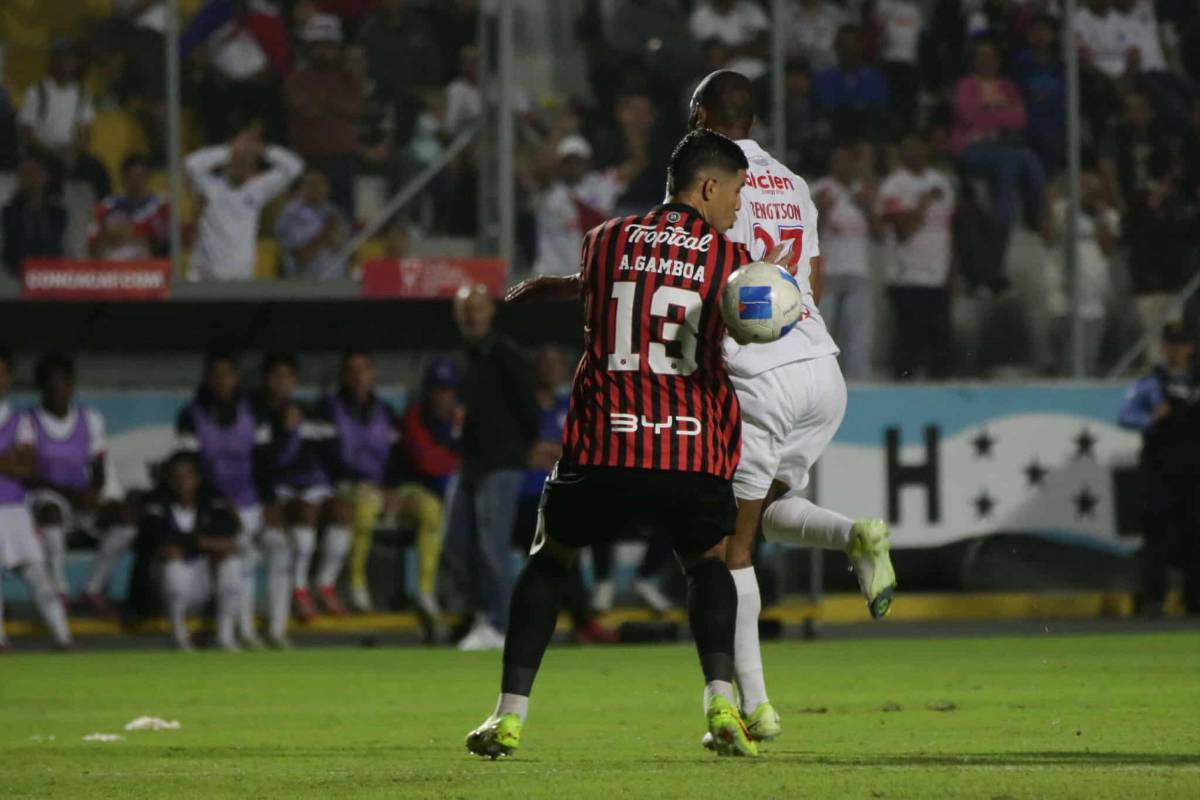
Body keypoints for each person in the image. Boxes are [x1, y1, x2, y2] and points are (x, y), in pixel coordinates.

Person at [464, 128, 758, 759]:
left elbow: (629, 281)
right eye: (735, 191)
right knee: (708, 563)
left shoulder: (604, 239)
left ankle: (508, 717)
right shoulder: (732, 261)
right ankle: (721, 703)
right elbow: (751, 311)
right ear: (708, 187)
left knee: (549, 561)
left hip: (604, 441)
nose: (738, 205)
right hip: (690, 444)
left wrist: (560, 284)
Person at [686, 71, 897, 751]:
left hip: (760, 375)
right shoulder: (795, 185)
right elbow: (814, 278)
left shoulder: (708, 182)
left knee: (729, 545)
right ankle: (855, 537)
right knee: (759, 515)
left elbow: (690, 270)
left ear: (701, 115)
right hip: (820, 367)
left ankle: (757, 706)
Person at [441, 285, 540, 651]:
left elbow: (528, 408)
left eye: (477, 310)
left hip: (500, 463)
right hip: (470, 463)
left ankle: (499, 625)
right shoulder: (463, 357)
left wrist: (516, 448)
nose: (471, 317)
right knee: (457, 544)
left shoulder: (504, 355)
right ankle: (482, 614)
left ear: (490, 313)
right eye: (465, 310)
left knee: (492, 547)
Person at [176, 349, 293, 648]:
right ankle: (242, 632)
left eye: (228, 375)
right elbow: (190, 467)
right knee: (241, 556)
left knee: (279, 547)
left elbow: (264, 461)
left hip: (252, 502)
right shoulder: (192, 414)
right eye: (215, 375)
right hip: (214, 509)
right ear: (207, 379)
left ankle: (277, 630)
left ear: (237, 378)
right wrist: (219, 506)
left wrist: (270, 503)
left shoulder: (254, 412)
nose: (221, 381)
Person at [513, 345, 616, 644]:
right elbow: (524, 453)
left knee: (606, 508)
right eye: (544, 362)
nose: (549, 368)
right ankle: (581, 621)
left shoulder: (571, 405)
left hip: (563, 492)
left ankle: (599, 594)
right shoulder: (525, 409)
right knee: (557, 550)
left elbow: (582, 452)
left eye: (556, 362)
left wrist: (552, 452)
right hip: (528, 498)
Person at [26, 353, 138, 620]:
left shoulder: (90, 419)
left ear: (71, 385)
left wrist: (94, 493)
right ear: (41, 387)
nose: (57, 391)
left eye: (63, 384)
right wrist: (72, 495)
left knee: (125, 519)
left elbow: (98, 465)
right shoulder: (28, 422)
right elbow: (29, 475)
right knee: (50, 511)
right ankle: (59, 591)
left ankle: (93, 588)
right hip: (46, 499)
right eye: (51, 385)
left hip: (82, 499)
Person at [252, 353, 352, 622]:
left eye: (288, 376)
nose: (282, 382)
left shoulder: (310, 411)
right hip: (282, 490)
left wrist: (342, 483)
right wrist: (286, 431)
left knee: (343, 510)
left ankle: (325, 583)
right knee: (306, 512)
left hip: (315, 488)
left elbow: (333, 456)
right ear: (266, 380)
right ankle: (299, 588)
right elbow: (264, 464)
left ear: (296, 381)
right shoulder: (259, 415)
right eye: (276, 376)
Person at [1117, 323, 1200, 617]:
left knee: (1195, 534)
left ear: (1191, 348)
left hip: (1194, 472)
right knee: (1156, 535)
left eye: (1181, 344)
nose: (1175, 350)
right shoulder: (1150, 383)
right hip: (1160, 471)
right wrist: (1151, 420)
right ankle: (1154, 599)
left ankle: (1195, 600)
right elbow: (1125, 416)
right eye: (1170, 344)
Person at [310, 348, 398, 612]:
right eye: (353, 371)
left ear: (373, 375)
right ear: (344, 376)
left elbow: (396, 457)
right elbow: (326, 455)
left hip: (380, 487)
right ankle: (354, 583)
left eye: (365, 370)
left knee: (430, 510)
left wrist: (391, 488)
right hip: (341, 486)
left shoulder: (386, 411)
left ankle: (426, 595)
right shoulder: (327, 408)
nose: (359, 377)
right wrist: (359, 482)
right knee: (364, 505)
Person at [0, 348, 72, 651]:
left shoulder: (20, 420)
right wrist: (7, 459)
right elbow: (14, 464)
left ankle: (63, 639)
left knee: (38, 576)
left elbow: (26, 469)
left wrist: (13, 464)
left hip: (14, 509)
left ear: (10, 377)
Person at [877, 128, 957, 380]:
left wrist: (953, 271)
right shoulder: (894, 186)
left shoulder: (941, 182)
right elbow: (904, 232)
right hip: (907, 279)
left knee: (941, 350)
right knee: (908, 348)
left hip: (937, 279)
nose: (914, 154)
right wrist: (923, 202)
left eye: (918, 148)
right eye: (908, 149)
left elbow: (948, 230)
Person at [146, 451, 242, 651]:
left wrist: (195, 543)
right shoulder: (156, 502)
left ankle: (225, 636)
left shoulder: (211, 502)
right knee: (173, 566)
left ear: (197, 478)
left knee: (231, 564)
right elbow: (159, 542)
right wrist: (205, 544)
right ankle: (178, 636)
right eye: (176, 477)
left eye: (187, 476)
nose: (182, 483)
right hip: (168, 587)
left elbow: (230, 539)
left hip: (203, 578)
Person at [951, 38, 1046, 237]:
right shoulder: (965, 85)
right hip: (972, 147)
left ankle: (1036, 217)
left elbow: (1019, 119)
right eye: (982, 56)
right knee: (1009, 160)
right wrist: (1001, 114)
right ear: (974, 60)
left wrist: (988, 111)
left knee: (1031, 159)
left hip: (1005, 144)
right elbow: (967, 115)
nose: (987, 61)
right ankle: (1001, 224)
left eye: (991, 56)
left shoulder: (1008, 87)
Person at [185, 128, 304, 281]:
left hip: (241, 277)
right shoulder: (210, 186)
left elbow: (295, 166)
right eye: (238, 160)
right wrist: (230, 149)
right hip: (205, 276)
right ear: (227, 163)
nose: (242, 166)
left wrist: (263, 150)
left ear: (253, 168)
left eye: (248, 162)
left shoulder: (257, 189)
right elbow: (190, 164)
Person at [812, 144, 884, 380]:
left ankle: (859, 380)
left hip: (857, 270)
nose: (842, 166)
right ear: (832, 164)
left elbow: (879, 234)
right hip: (827, 272)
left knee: (858, 334)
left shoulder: (864, 192)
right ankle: (821, 379)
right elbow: (808, 232)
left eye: (847, 161)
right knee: (823, 331)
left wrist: (866, 207)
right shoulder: (819, 189)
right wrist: (821, 210)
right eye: (838, 161)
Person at [284, 13, 363, 218]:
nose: (325, 51)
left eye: (330, 45)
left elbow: (356, 110)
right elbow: (308, 111)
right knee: (304, 223)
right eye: (319, 45)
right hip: (308, 159)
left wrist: (326, 103)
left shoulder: (349, 79)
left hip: (342, 159)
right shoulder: (296, 79)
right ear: (309, 47)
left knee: (343, 220)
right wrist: (335, 106)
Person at [1043, 171, 1120, 376]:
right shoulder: (1061, 211)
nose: (1089, 191)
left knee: (1086, 361)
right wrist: (1054, 209)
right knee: (1062, 362)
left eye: (1093, 187)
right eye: (1085, 187)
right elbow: (1048, 239)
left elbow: (1108, 249)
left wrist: (1100, 216)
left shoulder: (1109, 216)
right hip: (1062, 301)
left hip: (1092, 304)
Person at [533, 135, 640, 277]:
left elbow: (636, 165)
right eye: (568, 162)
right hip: (551, 274)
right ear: (559, 165)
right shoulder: (549, 191)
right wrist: (559, 131)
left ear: (588, 162)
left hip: (587, 275)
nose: (573, 166)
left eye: (578, 161)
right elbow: (538, 170)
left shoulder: (601, 185)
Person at [17, 41, 111, 201]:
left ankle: (105, 214)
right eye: (62, 58)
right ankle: (54, 214)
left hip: (69, 149)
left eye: (70, 59)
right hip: (43, 150)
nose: (66, 63)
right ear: (53, 61)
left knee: (99, 170)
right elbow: (27, 132)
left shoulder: (81, 93)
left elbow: (86, 130)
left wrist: (77, 151)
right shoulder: (37, 91)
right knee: (52, 170)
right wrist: (53, 151)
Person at [812, 24, 890, 142]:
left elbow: (876, 112)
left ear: (861, 46)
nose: (848, 49)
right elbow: (827, 111)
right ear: (836, 46)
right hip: (835, 140)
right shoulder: (824, 79)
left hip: (868, 139)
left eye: (852, 44)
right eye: (843, 44)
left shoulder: (876, 79)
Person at [87, 154, 170, 260]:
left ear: (148, 177)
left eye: (141, 176)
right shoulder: (107, 206)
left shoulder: (160, 206)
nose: (137, 181)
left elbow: (167, 243)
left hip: (149, 268)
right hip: (114, 267)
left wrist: (131, 234)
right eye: (132, 176)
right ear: (123, 177)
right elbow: (93, 243)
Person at [275, 169, 349, 279]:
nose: (317, 189)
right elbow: (303, 256)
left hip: (336, 284)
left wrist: (337, 242)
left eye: (321, 185)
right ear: (301, 188)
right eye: (312, 185)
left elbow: (347, 252)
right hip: (304, 286)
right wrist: (326, 231)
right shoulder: (291, 214)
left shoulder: (334, 212)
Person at [2, 159, 66, 278]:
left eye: (34, 174)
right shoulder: (8, 213)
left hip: (51, 276)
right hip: (17, 275)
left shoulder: (58, 213)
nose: (30, 180)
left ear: (44, 177)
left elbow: (62, 246)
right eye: (24, 175)